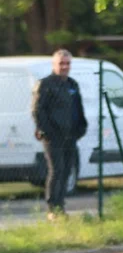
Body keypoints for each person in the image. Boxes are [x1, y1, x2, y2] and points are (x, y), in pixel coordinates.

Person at [31, 49, 88, 220]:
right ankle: (52, 208)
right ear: (54, 65)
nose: (64, 67)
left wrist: (81, 128)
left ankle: (60, 206)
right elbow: (37, 111)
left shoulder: (72, 84)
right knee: (57, 170)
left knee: (67, 170)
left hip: (70, 135)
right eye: (61, 63)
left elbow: (78, 108)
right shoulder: (45, 84)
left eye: (67, 63)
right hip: (53, 137)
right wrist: (47, 131)